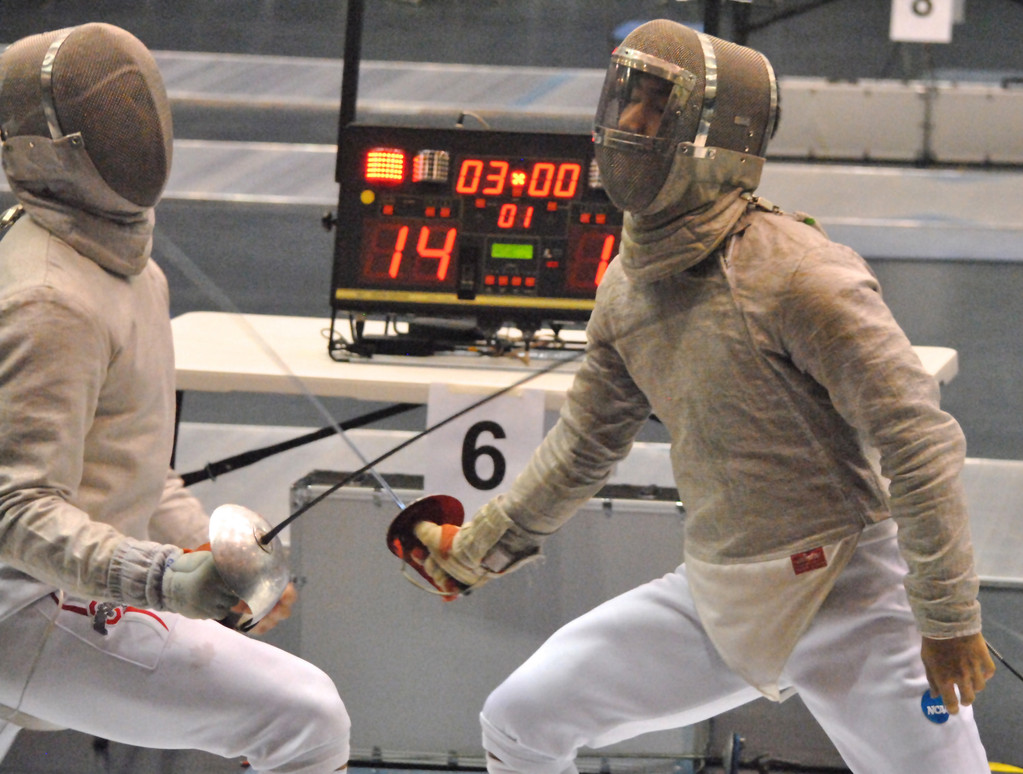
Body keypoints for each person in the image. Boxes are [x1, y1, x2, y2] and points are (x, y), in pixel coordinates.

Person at [411, 19, 995, 773]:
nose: (628, 123)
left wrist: (947, 616)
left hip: (845, 595)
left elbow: (917, 441)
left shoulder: (798, 273)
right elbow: (585, 443)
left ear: (714, 132)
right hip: (718, 595)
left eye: (655, 106)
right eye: (625, 99)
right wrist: (484, 543)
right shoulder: (626, 286)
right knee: (519, 721)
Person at [0, 23, 349, 772]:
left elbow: (134, 462)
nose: (133, 130)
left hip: (58, 592)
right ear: (39, 149)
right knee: (307, 717)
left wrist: (210, 561)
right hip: (22, 608)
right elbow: (16, 509)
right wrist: (162, 578)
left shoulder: (131, 273)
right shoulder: (48, 299)